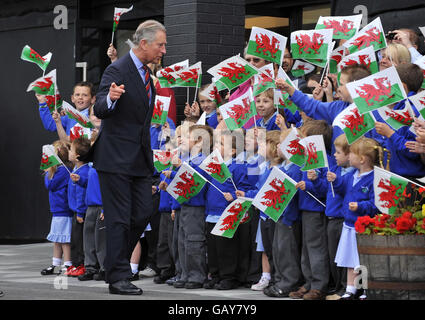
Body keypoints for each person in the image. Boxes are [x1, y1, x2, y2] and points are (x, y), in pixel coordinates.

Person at [89, 20, 167, 295]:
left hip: (139, 161)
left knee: (144, 212)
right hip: (114, 160)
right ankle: (118, 276)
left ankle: (116, 266)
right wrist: (110, 98)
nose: (163, 50)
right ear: (143, 43)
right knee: (120, 218)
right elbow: (99, 107)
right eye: (160, 45)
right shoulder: (117, 69)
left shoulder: (148, 77)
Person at [327, 137, 381, 300]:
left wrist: (360, 206)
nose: (348, 156)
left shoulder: (373, 178)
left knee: (362, 258)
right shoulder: (352, 175)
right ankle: (350, 289)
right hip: (349, 224)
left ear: (362, 159)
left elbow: (375, 204)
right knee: (350, 257)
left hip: (363, 226)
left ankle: (363, 289)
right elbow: (342, 187)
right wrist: (335, 181)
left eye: (351, 153)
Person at [290, 120, 332, 300]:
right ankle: (308, 282)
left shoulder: (325, 161)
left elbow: (326, 189)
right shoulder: (307, 159)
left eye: (304, 137)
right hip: (305, 208)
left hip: (316, 210)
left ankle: (319, 285)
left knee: (316, 249)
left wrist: (312, 182)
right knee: (306, 250)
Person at [236, 130, 283, 292]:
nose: (259, 145)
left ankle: (278, 278)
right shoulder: (264, 167)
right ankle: (267, 276)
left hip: (273, 215)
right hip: (263, 215)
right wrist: (246, 195)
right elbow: (258, 188)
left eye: (262, 143)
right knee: (265, 247)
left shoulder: (278, 168)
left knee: (275, 248)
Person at [204, 129, 250, 290]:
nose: (215, 146)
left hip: (227, 214)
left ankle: (228, 277)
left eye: (221, 144)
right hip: (212, 213)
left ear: (233, 150)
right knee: (213, 248)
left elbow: (244, 189)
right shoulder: (214, 165)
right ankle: (215, 275)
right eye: (216, 143)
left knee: (226, 249)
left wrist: (234, 196)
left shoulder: (238, 167)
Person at [262, 128, 303, 298]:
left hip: (290, 216)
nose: (278, 145)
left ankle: (289, 283)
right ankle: (279, 279)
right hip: (279, 214)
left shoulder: (295, 167)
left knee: (287, 251)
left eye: (282, 143)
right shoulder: (283, 166)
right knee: (278, 249)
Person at [320, 134, 354, 300]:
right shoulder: (335, 169)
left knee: (343, 257)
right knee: (333, 255)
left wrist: (336, 180)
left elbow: (344, 189)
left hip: (342, 219)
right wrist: (314, 182)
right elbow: (325, 190)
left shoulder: (352, 174)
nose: (334, 155)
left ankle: (343, 288)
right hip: (331, 218)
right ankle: (337, 286)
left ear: (349, 155)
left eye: (339, 152)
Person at [41, 140, 73, 276]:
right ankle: (55, 263)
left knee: (65, 240)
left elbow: (51, 185)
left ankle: (67, 264)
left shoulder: (63, 172)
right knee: (57, 239)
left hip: (64, 211)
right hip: (58, 211)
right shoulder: (59, 171)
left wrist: (48, 172)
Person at [78, 129, 107, 281]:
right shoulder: (90, 164)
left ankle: (104, 267)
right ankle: (90, 267)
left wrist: (106, 207)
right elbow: (90, 184)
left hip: (102, 205)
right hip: (91, 205)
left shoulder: (107, 164)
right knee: (88, 237)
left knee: (101, 239)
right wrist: (80, 181)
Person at [64, 136, 91, 277]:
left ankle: (80, 264)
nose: (69, 151)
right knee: (76, 238)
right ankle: (77, 264)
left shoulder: (82, 172)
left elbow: (81, 195)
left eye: (71, 150)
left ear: (78, 156)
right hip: (76, 211)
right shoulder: (77, 169)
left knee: (79, 240)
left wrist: (80, 212)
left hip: (80, 213)